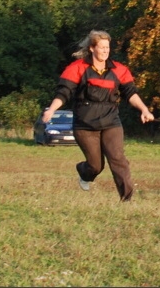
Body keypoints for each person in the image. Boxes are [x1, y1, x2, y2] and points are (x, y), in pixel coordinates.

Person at [41, 30, 154, 202]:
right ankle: (85, 173)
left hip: (111, 122)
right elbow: (64, 93)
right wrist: (51, 110)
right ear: (92, 48)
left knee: (118, 159)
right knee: (96, 165)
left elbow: (131, 93)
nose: (105, 51)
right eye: (102, 47)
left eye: (107, 47)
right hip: (85, 125)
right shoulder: (77, 68)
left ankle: (127, 199)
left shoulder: (119, 69)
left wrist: (144, 110)